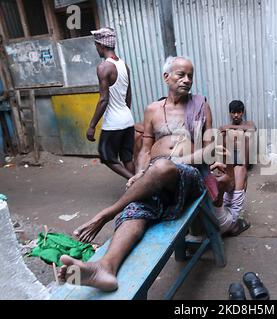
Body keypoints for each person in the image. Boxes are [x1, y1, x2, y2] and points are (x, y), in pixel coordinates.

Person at [58, 56, 220, 291]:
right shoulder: (152, 109)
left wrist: (176, 161)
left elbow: (211, 148)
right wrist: (141, 172)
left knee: (164, 167)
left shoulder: (200, 105)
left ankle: (107, 214)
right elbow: (144, 149)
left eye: (190, 76)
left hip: (188, 176)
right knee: (136, 211)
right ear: (166, 77)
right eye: (180, 74)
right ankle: (104, 269)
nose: (187, 80)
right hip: (156, 178)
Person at [87, 27, 135, 179]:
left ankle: (135, 181)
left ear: (101, 45)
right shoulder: (124, 65)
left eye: (96, 45)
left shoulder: (104, 67)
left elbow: (103, 99)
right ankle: (140, 191)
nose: (96, 49)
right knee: (126, 157)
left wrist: (92, 126)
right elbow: (129, 95)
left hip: (114, 122)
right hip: (128, 119)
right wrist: (125, 114)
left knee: (107, 156)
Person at [219, 100, 256, 223]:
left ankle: (243, 168)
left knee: (245, 134)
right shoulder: (225, 127)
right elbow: (221, 130)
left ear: (242, 112)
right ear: (229, 113)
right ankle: (225, 167)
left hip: (245, 158)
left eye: (238, 112)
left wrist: (231, 128)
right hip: (231, 157)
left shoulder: (248, 123)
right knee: (225, 135)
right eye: (233, 113)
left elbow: (252, 128)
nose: (236, 115)